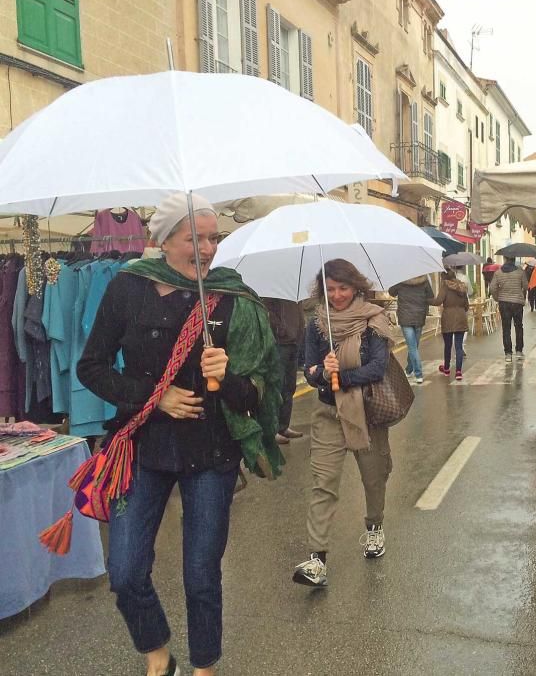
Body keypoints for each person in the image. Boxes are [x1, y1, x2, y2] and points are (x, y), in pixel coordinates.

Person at [77, 193, 282, 676]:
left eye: (214, 238)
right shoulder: (128, 288)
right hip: (143, 446)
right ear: (164, 241)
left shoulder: (234, 298)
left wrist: (227, 376)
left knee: (201, 575)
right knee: (125, 571)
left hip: (212, 453)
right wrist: (156, 395)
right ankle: (158, 654)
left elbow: (256, 395)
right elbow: (92, 367)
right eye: (196, 238)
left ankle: (204, 666)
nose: (209, 248)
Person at [293, 259, 397, 588]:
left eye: (343, 288)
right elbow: (308, 370)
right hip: (328, 413)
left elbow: (378, 368)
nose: (337, 295)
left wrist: (342, 375)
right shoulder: (316, 324)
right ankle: (317, 559)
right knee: (323, 483)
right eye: (331, 289)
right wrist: (323, 372)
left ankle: (374, 526)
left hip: (366, 412)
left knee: (373, 476)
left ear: (356, 288)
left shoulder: (373, 320)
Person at [263, 298, 305, 445]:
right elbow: (267, 309)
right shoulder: (274, 291)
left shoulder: (295, 292)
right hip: (279, 343)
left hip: (294, 342)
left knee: (289, 387)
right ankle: (272, 429)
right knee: (276, 387)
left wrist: (300, 332)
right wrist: (281, 329)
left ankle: (283, 426)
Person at [389, 275, 434, 384]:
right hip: (419, 316)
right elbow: (431, 296)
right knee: (414, 346)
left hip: (405, 317)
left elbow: (391, 292)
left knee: (412, 347)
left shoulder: (400, 281)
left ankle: (418, 374)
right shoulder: (424, 281)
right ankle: (410, 370)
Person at [430, 269, 469, 380]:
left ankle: (446, 368)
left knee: (448, 345)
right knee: (458, 346)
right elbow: (466, 305)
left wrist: (426, 300)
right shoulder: (462, 287)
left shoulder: (445, 286)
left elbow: (438, 301)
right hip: (461, 317)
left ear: (444, 278)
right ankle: (458, 372)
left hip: (448, 318)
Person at [489, 256, 529, 361]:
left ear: (505, 259)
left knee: (506, 328)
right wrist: (522, 295)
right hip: (517, 303)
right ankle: (519, 351)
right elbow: (525, 286)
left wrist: (497, 297)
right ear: (514, 259)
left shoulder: (498, 273)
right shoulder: (520, 272)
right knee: (519, 326)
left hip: (504, 303)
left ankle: (508, 354)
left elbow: (492, 288)